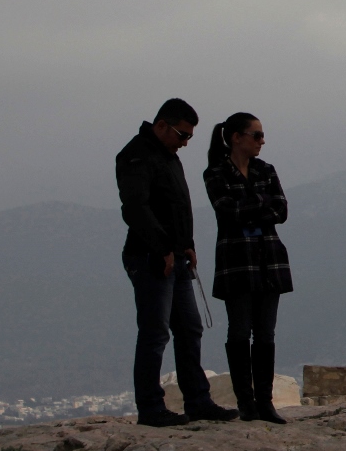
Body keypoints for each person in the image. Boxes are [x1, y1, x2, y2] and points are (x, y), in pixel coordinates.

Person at [116, 98, 239, 426]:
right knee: (155, 332)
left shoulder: (168, 157)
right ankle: (151, 407)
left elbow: (176, 205)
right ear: (161, 126)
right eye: (181, 135)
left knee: (189, 328)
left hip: (177, 256)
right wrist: (162, 248)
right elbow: (135, 208)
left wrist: (187, 245)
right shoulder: (136, 154)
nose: (185, 143)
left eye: (189, 138)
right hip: (149, 256)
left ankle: (198, 401)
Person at [202, 112, 293, 424]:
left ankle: (265, 401)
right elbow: (227, 210)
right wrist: (261, 203)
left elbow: (281, 210)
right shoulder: (215, 172)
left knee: (266, 333)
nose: (262, 141)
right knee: (240, 331)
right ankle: (246, 402)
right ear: (236, 137)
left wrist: (250, 205)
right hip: (236, 262)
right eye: (256, 135)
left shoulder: (265, 170)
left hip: (269, 259)